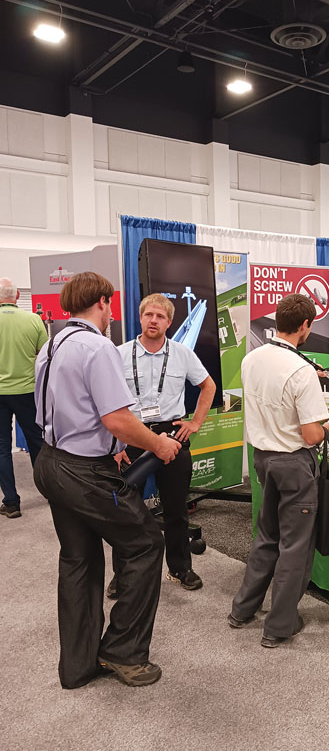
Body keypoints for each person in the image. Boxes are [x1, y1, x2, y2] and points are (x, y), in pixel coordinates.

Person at [33, 272, 181, 690]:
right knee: (146, 543)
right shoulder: (97, 347)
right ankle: (122, 652)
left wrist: (113, 442)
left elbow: (72, 407)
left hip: (51, 462)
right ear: (103, 302)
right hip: (83, 472)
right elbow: (116, 418)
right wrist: (159, 445)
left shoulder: (52, 344)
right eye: (111, 304)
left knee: (78, 559)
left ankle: (77, 666)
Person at [228, 293, 329, 648]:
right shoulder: (300, 371)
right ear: (306, 326)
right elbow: (310, 434)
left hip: (263, 458)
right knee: (295, 547)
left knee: (267, 536)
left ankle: (242, 610)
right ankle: (280, 625)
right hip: (293, 464)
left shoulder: (252, 358)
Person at [107, 293, 216, 597]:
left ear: (169, 322)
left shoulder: (182, 353)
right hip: (131, 436)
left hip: (172, 436)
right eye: (148, 315)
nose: (153, 320)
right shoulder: (119, 354)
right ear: (140, 318)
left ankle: (181, 567)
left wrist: (195, 423)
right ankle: (123, 573)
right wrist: (114, 445)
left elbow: (208, 386)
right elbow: (107, 404)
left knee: (177, 509)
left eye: (160, 316)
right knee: (126, 512)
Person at [0, 277, 47, 519]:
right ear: (18, 296)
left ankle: (11, 502)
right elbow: (44, 355)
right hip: (27, 391)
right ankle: (50, 491)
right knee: (37, 442)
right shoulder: (33, 320)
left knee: (1, 449)